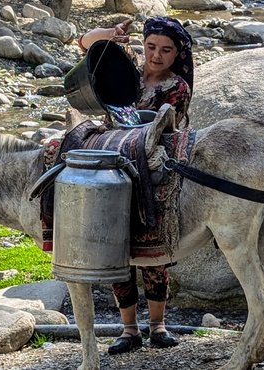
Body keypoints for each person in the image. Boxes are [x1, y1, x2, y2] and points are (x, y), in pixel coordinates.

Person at [77, 16, 194, 355]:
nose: (156, 56)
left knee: (152, 249)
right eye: (151, 47)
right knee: (115, 247)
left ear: (177, 54)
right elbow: (86, 43)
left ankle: (158, 325)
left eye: (165, 50)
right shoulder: (124, 66)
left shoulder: (177, 88)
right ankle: (129, 329)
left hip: (150, 165)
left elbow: (166, 129)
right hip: (111, 158)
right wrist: (109, 35)